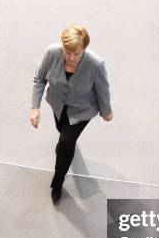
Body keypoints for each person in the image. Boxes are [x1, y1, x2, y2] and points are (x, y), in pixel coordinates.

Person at [30, 26, 113, 204]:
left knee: (66, 143)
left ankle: (58, 182)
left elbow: (103, 90)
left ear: (84, 50)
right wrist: (35, 107)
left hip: (82, 110)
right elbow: (39, 79)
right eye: (68, 52)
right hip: (58, 104)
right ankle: (64, 147)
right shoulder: (51, 52)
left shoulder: (96, 64)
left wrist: (106, 111)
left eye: (77, 54)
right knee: (61, 131)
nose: (72, 58)